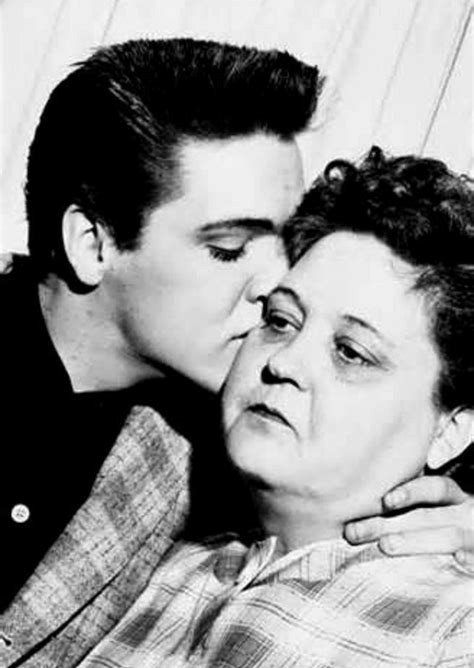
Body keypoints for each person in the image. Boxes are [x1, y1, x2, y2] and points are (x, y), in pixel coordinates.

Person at [0, 38, 471, 666]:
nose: (275, 283)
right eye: (228, 249)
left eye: (283, 246)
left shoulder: (232, 436)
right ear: (92, 243)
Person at [79, 148, 474, 668]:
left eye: (350, 353)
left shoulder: (454, 632)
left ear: (451, 430)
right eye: (281, 321)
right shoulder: (171, 563)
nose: (283, 362)